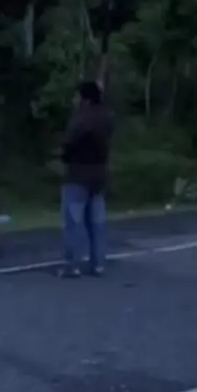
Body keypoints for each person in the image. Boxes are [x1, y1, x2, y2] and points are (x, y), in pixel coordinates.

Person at [58, 80, 114, 278]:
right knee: (97, 222)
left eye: (78, 96)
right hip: (99, 174)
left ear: (85, 99)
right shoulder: (107, 117)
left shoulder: (80, 119)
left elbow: (69, 144)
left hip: (78, 173)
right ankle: (98, 263)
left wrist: (64, 155)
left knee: (74, 221)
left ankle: (72, 264)